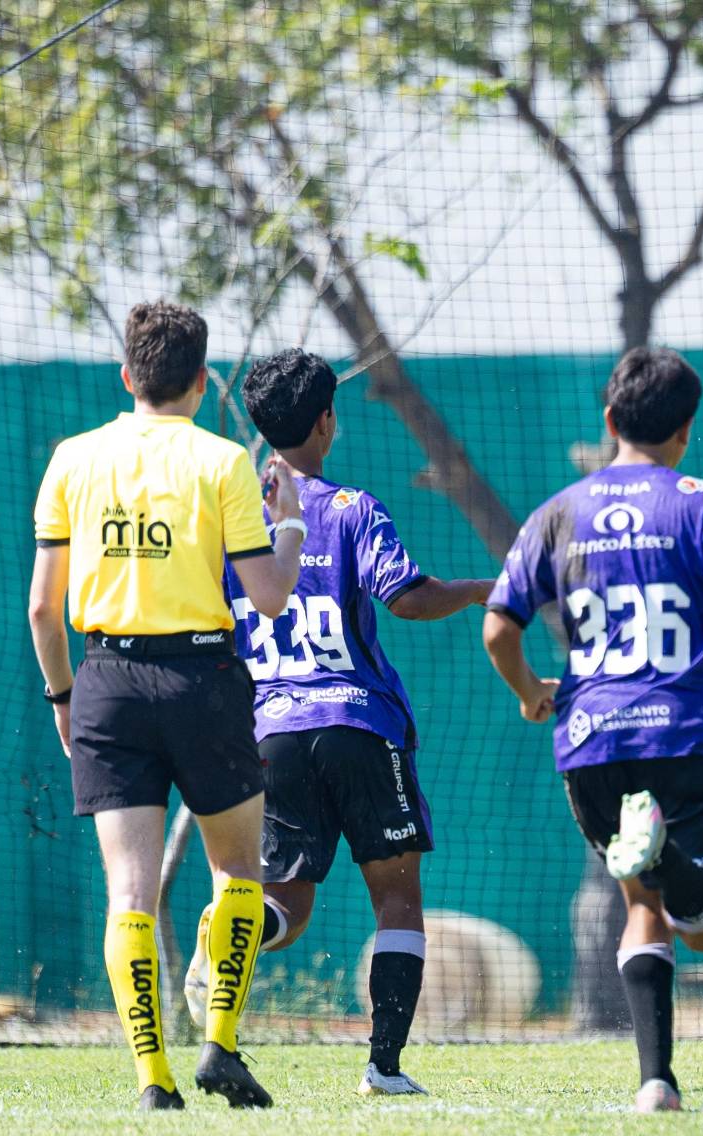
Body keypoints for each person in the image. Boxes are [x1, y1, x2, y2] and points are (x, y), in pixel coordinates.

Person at [177, 349, 493, 1096]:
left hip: (271, 730)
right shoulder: (351, 508)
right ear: (326, 420)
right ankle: (384, 1067)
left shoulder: (227, 518)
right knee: (397, 896)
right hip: (357, 721)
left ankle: (226, 929)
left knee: (285, 903)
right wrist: (486, 588)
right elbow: (408, 598)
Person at [483, 347, 703, 1112]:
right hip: (681, 730)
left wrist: (529, 691)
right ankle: (669, 858)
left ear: (610, 419)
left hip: (591, 736)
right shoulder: (698, 499)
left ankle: (656, 1080)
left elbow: (498, 627)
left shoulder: (558, 511)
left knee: (641, 905)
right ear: (685, 428)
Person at [28, 301, 304, 1109]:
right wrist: (289, 525)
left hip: (106, 681)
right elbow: (270, 596)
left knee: (130, 893)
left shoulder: (73, 458)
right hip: (201, 679)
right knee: (239, 871)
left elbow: (43, 609)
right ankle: (220, 1043)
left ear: (128, 375)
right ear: (201, 379)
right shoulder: (222, 461)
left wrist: (64, 696)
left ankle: (153, 1079)